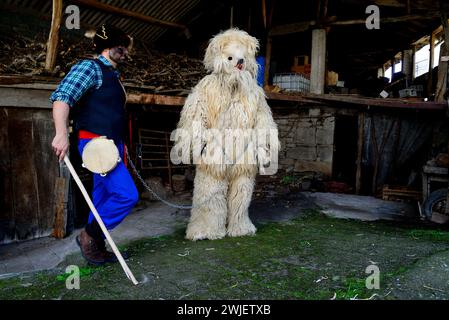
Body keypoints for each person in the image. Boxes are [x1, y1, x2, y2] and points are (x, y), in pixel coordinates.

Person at [50, 24, 138, 266]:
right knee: (126, 195)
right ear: (108, 47)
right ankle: (89, 236)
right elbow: (62, 98)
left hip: (112, 144)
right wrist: (61, 134)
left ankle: (95, 247)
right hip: (96, 144)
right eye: (122, 48)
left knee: (102, 196)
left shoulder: (113, 75)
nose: (126, 53)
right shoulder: (90, 67)